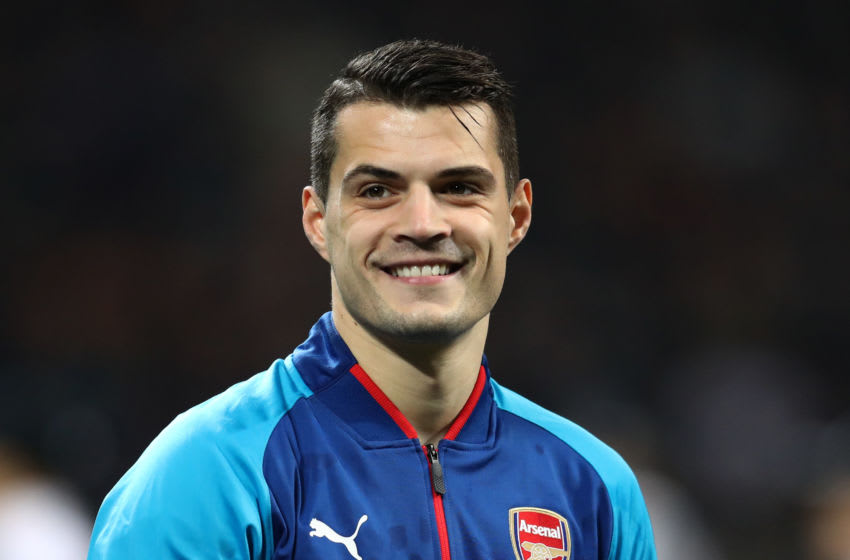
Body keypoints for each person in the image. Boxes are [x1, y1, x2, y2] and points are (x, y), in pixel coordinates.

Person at [88, 39, 656, 560]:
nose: (423, 223)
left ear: (516, 217)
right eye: (377, 191)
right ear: (317, 220)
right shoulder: (213, 474)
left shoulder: (593, 490)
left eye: (459, 187)